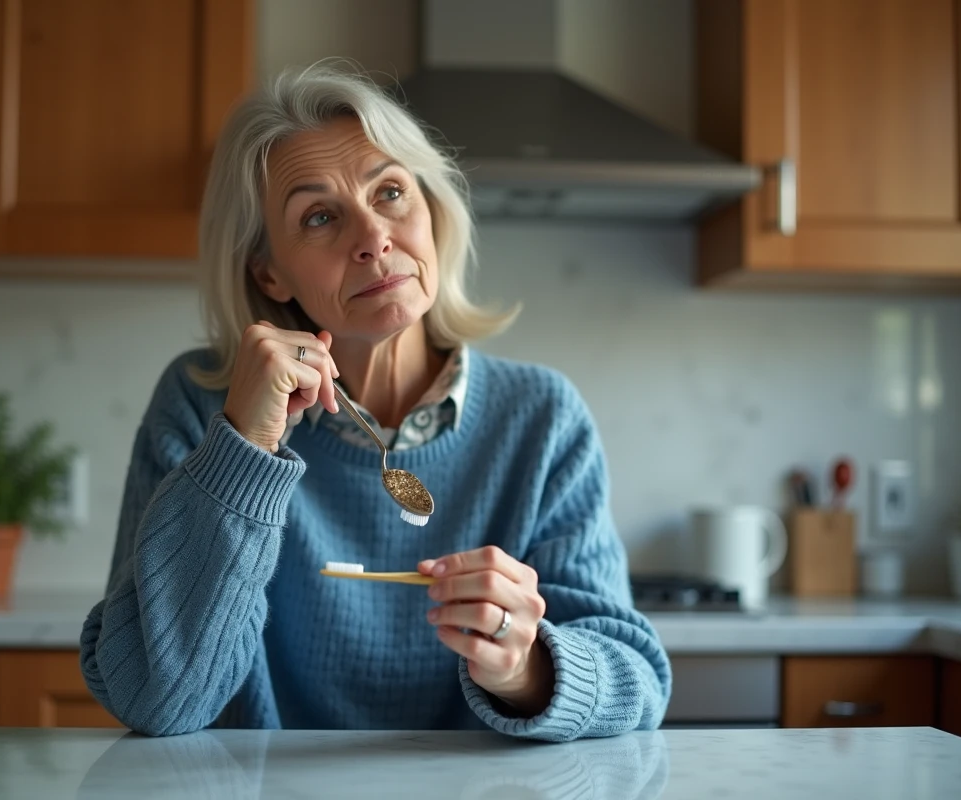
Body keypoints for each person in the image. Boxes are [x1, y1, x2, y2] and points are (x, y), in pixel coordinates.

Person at [79, 62, 672, 741]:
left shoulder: (541, 417)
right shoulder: (200, 404)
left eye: (390, 192)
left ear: (431, 211)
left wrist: (524, 669)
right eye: (320, 216)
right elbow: (157, 701)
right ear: (268, 269)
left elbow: (638, 678)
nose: (373, 238)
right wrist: (243, 447)